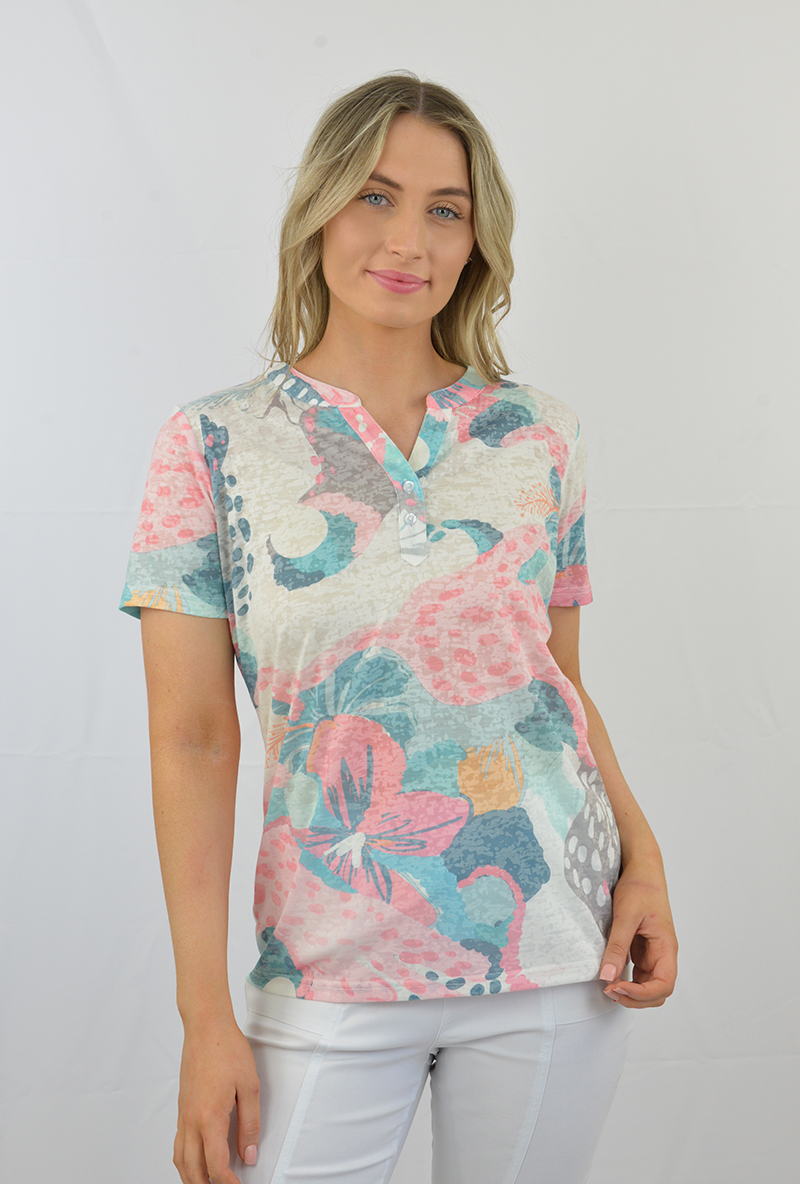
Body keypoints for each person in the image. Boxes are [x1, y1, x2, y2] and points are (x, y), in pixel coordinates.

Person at [120, 71, 677, 1184]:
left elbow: (557, 688)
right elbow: (193, 738)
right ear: (319, 209)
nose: (408, 240)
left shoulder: (540, 436)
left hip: (553, 953)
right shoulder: (213, 445)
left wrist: (645, 863)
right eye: (375, 195)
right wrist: (204, 1016)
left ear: (477, 241)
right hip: (325, 970)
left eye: (444, 209)